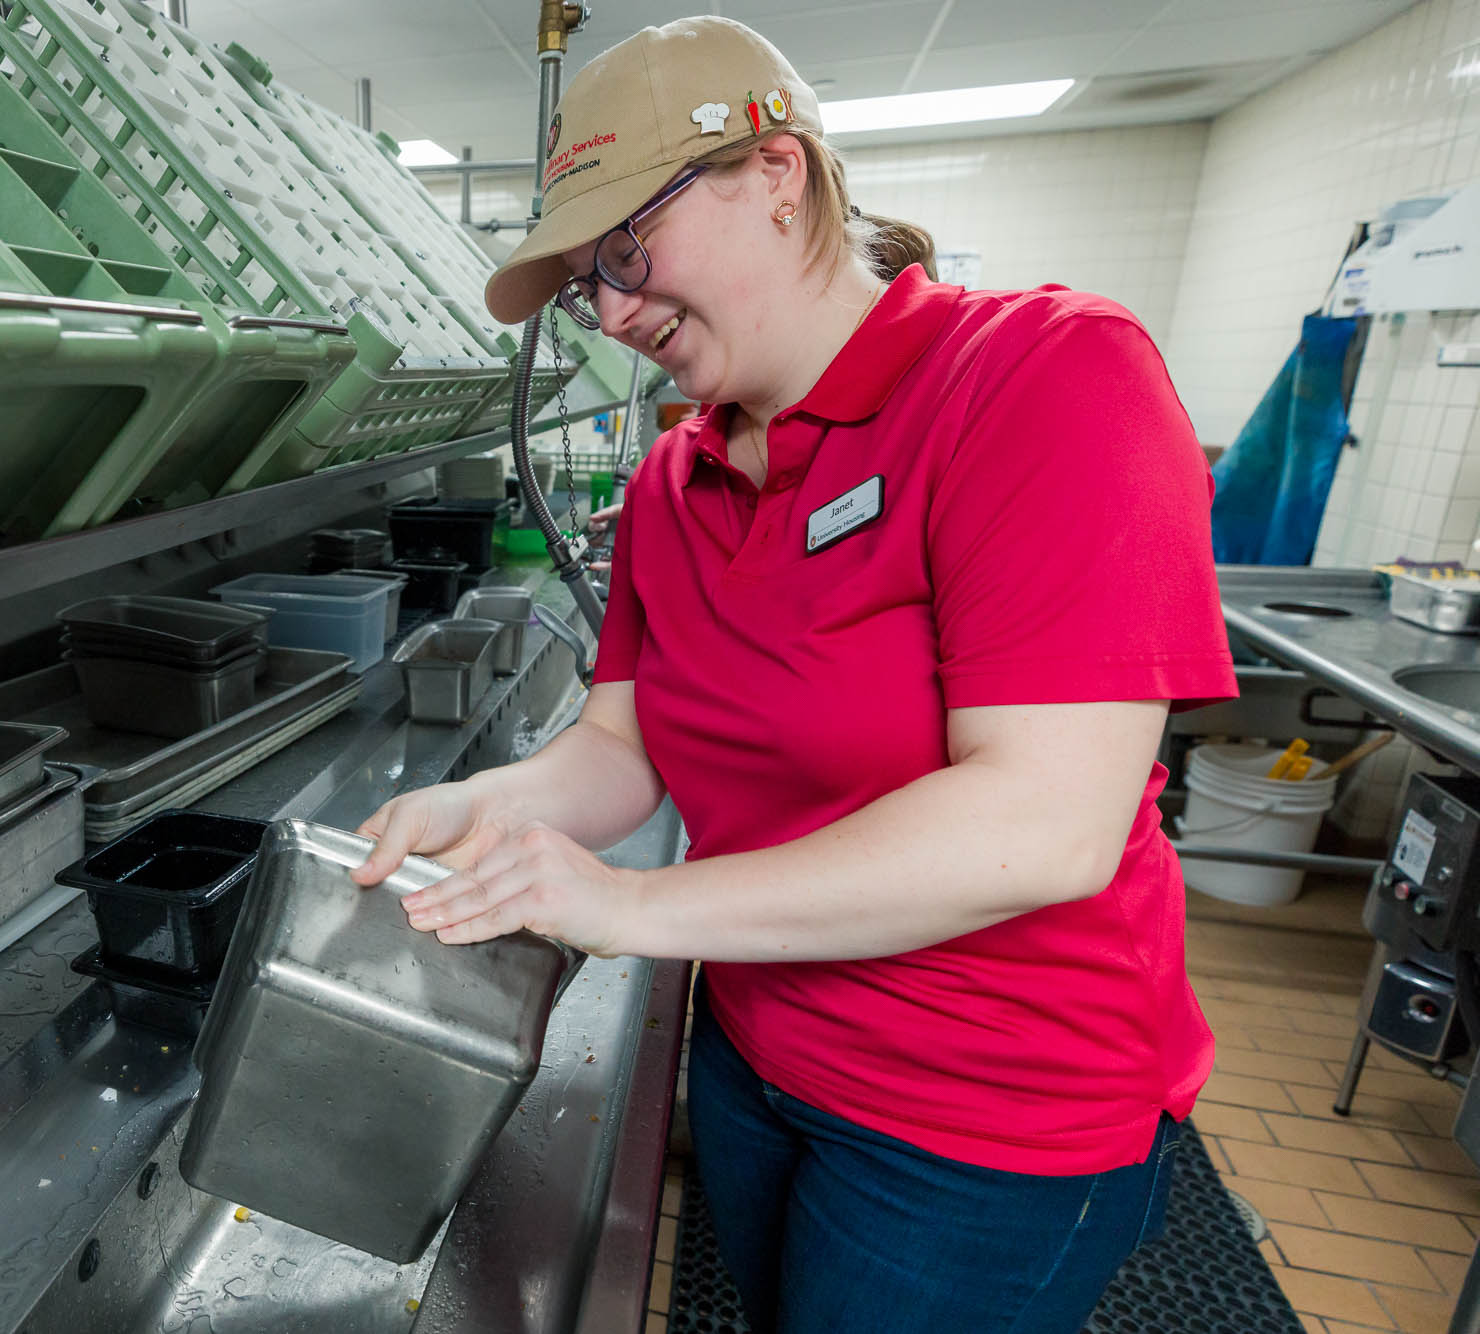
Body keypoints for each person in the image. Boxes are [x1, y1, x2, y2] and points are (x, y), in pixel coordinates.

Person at [350, 16, 1235, 1334]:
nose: (612, 309)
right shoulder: (673, 481)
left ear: (778, 174)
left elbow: (1045, 823)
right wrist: (499, 806)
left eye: (628, 252)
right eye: (589, 278)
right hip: (763, 1066)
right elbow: (626, 743)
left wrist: (634, 905)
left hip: (987, 1122)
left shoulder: (1042, 380)